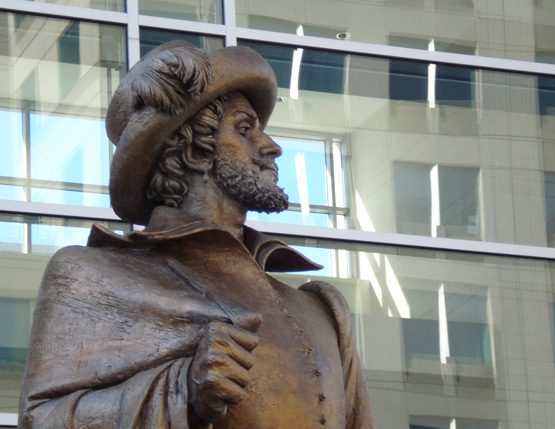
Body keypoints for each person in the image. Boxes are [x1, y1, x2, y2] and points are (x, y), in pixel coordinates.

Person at [18, 41, 372, 428]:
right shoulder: (90, 277)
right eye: (244, 129)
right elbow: (41, 421)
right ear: (194, 150)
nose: (271, 147)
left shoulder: (322, 312)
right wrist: (181, 389)